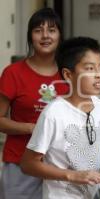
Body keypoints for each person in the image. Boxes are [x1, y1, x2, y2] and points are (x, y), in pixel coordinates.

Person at [20, 37, 100, 199]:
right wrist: (72, 175)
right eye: (90, 68)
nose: (99, 75)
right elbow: (28, 164)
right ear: (68, 75)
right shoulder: (53, 113)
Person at [0, 8, 68, 199]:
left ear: (60, 35)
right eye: (38, 30)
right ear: (30, 36)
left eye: (52, 30)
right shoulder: (13, 73)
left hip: (60, 164)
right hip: (20, 162)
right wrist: (33, 128)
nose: (45, 35)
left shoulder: (70, 74)